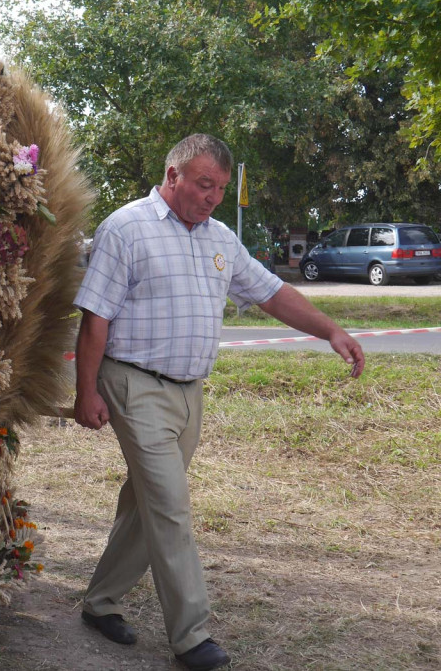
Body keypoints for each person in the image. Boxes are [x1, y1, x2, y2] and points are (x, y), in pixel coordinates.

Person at [73, 134, 365, 671]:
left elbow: (271, 292)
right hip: (134, 384)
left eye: (220, 188)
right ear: (172, 175)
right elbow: (96, 318)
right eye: (204, 184)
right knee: (171, 507)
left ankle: (99, 601)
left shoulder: (222, 238)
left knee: (146, 504)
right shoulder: (126, 228)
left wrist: (331, 331)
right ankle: (191, 636)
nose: (211, 197)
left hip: (189, 394)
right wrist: (85, 390)